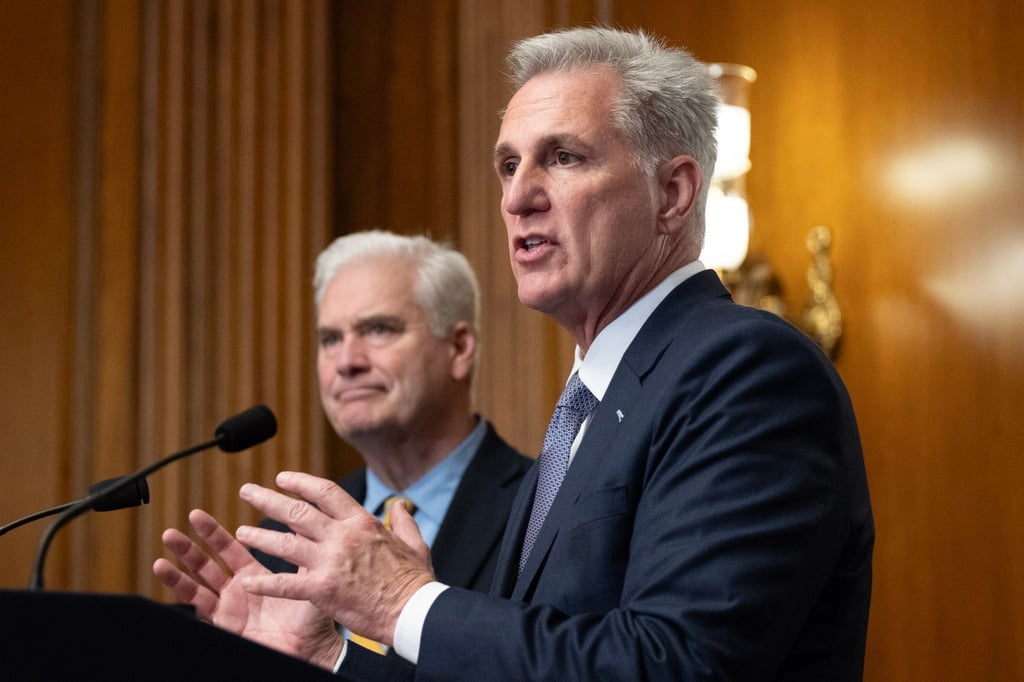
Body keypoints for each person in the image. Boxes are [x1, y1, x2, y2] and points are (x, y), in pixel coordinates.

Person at [155, 27, 874, 681]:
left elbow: (673, 665)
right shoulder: (584, 412)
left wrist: (406, 602)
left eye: (563, 157)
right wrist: (331, 655)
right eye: (507, 165)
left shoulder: (747, 372)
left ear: (674, 192)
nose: (519, 197)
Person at [155, 230, 531, 661]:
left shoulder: (542, 509)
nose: (347, 361)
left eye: (377, 329)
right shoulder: (281, 542)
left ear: (459, 348)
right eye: (330, 338)